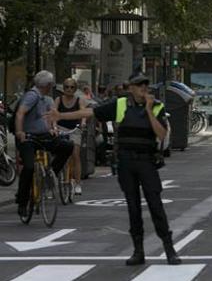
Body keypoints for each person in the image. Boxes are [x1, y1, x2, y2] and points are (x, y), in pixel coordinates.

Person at [48, 72, 181, 265]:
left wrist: (150, 110)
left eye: (145, 84)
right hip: (126, 162)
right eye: (139, 85)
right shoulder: (120, 104)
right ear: (131, 89)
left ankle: (169, 249)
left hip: (147, 161)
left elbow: (161, 134)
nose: (143, 88)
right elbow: (90, 112)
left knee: (155, 205)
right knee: (133, 207)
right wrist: (61, 115)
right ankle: (138, 251)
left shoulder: (157, 106)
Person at [15, 70, 74, 217]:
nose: (52, 86)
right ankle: (22, 202)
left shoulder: (46, 99)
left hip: (44, 136)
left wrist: (53, 128)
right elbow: (20, 113)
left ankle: (50, 174)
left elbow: (52, 116)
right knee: (28, 167)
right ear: (47, 85)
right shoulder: (32, 96)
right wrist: (19, 132)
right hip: (28, 138)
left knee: (67, 146)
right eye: (51, 84)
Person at [54, 78, 87, 195]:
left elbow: (83, 113)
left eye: (72, 87)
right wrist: (54, 126)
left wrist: (83, 123)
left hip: (74, 129)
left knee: (75, 154)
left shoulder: (79, 100)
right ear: (63, 89)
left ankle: (77, 183)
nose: (69, 89)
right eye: (67, 87)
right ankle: (55, 179)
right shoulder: (58, 100)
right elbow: (54, 113)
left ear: (75, 89)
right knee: (58, 154)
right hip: (61, 129)